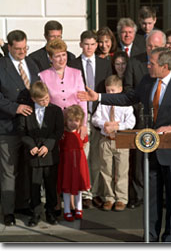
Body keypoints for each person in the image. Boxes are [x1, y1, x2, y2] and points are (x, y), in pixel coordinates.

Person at [78, 47, 171, 242]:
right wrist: (99, 97)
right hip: (150, 150)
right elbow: (128, 98)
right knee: (152, 198)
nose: (148, 65)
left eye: (152, 63)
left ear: (164, 66)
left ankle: (169, 241)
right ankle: (149, 237)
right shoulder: (147, 81)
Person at [123, 29, 171, 209]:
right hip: (141, 117)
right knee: (141, 160)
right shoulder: (135, 62)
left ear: (164, 46)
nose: (151, 49)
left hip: (166, 120)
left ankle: (163, 196)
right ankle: (140, 195)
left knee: (164, 160)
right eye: (149, 45)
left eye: (156, 46)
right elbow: (128, 89)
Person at [39, 38, 87, 215]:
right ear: (50, 57)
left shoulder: (76, 73)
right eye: (57, 56)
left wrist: (83, 124)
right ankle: (58, 201)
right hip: (55, 128)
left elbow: (82, 99)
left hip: (74, 127)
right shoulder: (43, 76)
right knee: (57, 167)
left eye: (64, 55)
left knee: (73, 165)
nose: (61, 59)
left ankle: (75, 202)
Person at [0, 30, 39, 226]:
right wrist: (15, 108)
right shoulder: (1, 66)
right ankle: (8, 211)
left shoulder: (31, 63)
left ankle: (23, 204)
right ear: (9, 47)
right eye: (18, 49)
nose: (22, 52)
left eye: (25, 48)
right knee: (9, 171)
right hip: (7, 127)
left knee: (27, 168)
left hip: (30, 127)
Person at [70, 30, 112, 209]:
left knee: (98, 158)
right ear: (81, 44)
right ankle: (85, 193)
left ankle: (95, 192)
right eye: (86, 44)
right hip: (82, 117)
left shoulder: (104, 64)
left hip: (99, 115)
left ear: (97, 45)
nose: (89, 47)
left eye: (93, 44)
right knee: (83, 157)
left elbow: (108, 90)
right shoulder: (72, 64)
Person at [18, 81, 64, 226]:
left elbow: (58, 131)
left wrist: (47, 146)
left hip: (49, 155)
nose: (45, 101)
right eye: (41, 100)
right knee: (34, 186)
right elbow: (21, 131)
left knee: (51, 185)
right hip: (33, 156)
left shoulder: (56, 110)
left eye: (47, 98)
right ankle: (36, 213)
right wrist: (31, 145)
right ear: (33, 99)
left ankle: (50, 212)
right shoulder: (27, 111)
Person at [92, 75, 135, 211]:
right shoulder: (102, 104)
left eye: (113, 91)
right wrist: (104, 124)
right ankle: (109, 197)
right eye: (108, 91)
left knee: (122, 170)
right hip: (105, 140)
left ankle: (121, 198)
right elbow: (94, 119)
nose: (110, 94)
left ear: (120, 90)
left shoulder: (126, 104)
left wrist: (117, 126)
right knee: (106, 170)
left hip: (121, 140)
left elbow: (131, 122)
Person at [57, 105, 90, 221]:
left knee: (79, 187)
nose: (73, 123)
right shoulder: (63, 134)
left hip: (79, 163)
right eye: (70, 120)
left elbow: (84, 144)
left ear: (80, 121)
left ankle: (78, 208)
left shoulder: (81, 133)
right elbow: (60, 146)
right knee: (67, 187)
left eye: (76, 120)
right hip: (67, 163)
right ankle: (66, 210)